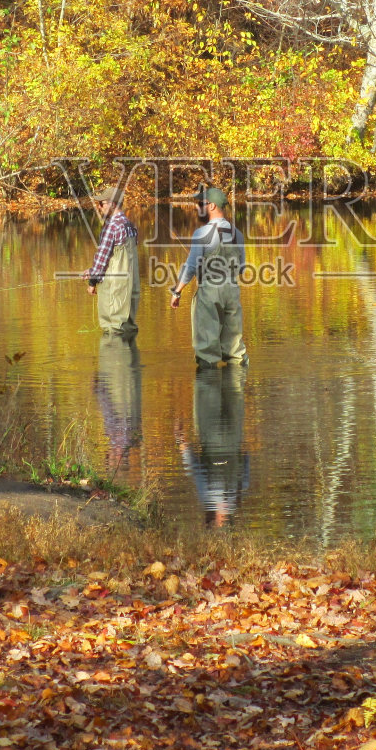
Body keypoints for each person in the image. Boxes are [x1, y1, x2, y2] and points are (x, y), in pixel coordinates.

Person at [169, 186, 247, 368]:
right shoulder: (239, 235)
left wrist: (177, 291)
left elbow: (190, 267)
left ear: (211, 206)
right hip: (232, 291)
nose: (198, 208)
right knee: (235, 350)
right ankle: (235, 390)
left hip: (209, 292)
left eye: (201, 204)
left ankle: (209, 389)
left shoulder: (202, 233)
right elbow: (241, 268)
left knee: (207, 352)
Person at [181, 365, 248, 527]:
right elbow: (197, 471)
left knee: (232, 390)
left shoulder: (235, 497)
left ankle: (222, 364)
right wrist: (183, 445)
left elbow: (246, 464)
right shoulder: (210, 498)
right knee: (207, 390)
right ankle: (222, 363)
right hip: (213, 440)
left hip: (232, 440)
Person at [85, 185, 139, 337]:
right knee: (127, 328)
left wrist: (92, 281)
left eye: (101, 203)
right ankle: (130, 360)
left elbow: (103, 258)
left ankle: (115, 359)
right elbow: (119, 258)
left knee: (112, 329)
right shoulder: (131, 226)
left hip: (113, 287)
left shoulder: (111, 227)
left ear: (112, 204)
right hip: (130, 287)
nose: (99, 207)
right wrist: (91, 271)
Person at [94, 334, 143, 472]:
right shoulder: (127, 438)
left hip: (122, 386)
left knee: (115, 332)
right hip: (126, 387)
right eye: (111, 456)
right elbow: (109, 410)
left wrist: (99, 389)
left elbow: (108, 410)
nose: (109, 452)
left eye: (110, 456)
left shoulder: (121, 437)